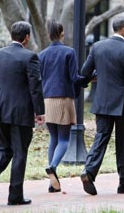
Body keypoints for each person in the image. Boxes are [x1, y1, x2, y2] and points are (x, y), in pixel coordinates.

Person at [80, 16, 124, 195]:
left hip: (102, 100)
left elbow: (85, 72)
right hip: (122, 101)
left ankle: (88, 171)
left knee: (101, 136)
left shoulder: (97, 47)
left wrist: (97, 76)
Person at [0, 21, 45, 205]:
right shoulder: (30, 57)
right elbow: (35, 86)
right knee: (19, 152)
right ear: (27, 37)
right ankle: (15, 195)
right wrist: (39, 111)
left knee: (3, 148)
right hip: (20, 112)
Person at [39, 20, 88, 193]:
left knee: (53, 138)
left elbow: (40, 79)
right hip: (63, 99)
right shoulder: (69, 52)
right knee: (64, 140)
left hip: (47, 100)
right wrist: (88, 79)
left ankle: (52, 183)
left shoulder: (42, 54)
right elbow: (74, 78)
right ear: (61, 32)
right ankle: (52, 167)